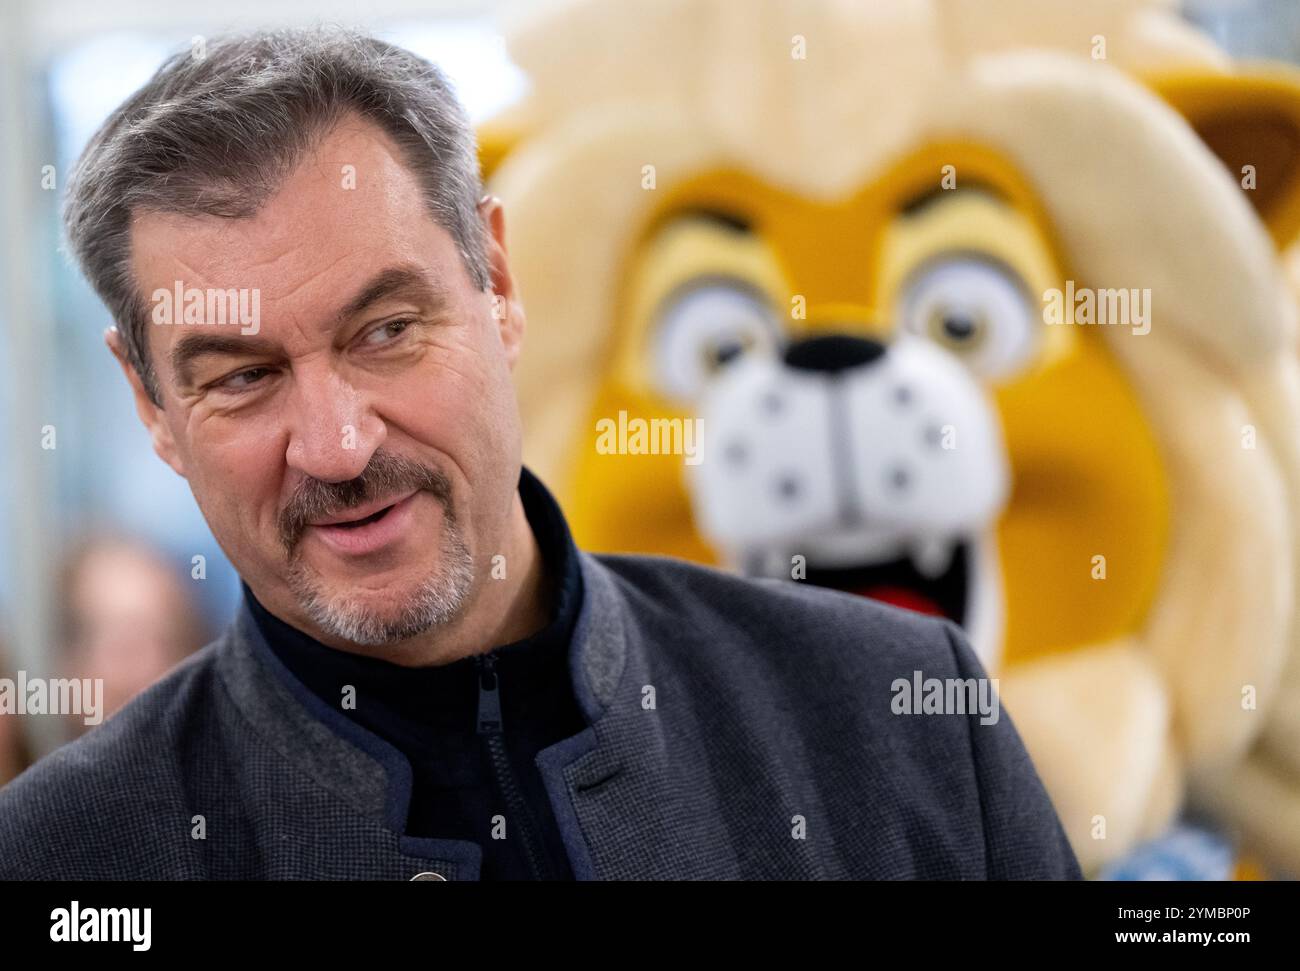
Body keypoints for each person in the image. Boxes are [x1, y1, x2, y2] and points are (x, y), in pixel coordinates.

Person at [0, 28, 1080, 880]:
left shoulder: (896, 714)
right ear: (148, 401)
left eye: (385, 331)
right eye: (242, 377)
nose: (337, 446)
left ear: (499, 286)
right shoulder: (64, 855)